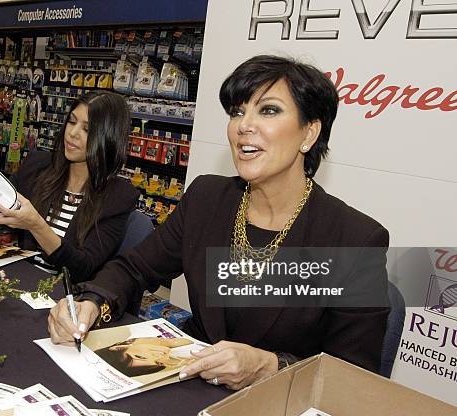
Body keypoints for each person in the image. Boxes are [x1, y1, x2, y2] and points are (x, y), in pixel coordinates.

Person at [48, 55, 390, 390]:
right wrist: (91, 303)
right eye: (238, 112)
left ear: (309, 133)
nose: (243, 125)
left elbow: (352, 377)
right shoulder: (208, 198)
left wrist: (270, 366)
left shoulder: (354, 240)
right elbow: (135, 268)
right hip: (190, 387)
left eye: (268, 110)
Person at [0, 91, 139, 282]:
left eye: (87, 129)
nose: (73, 133)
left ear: (109, 138)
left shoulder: (118, 196)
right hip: (20, 283)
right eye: (72, 122)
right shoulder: (38, 167)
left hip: (65, 301)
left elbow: (83, 267)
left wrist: (37, 225)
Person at [94, 337, 194, 378]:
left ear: (119, 347)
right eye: (158, 363)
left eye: (140, 356)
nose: (160, 356)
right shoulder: (181, 356)